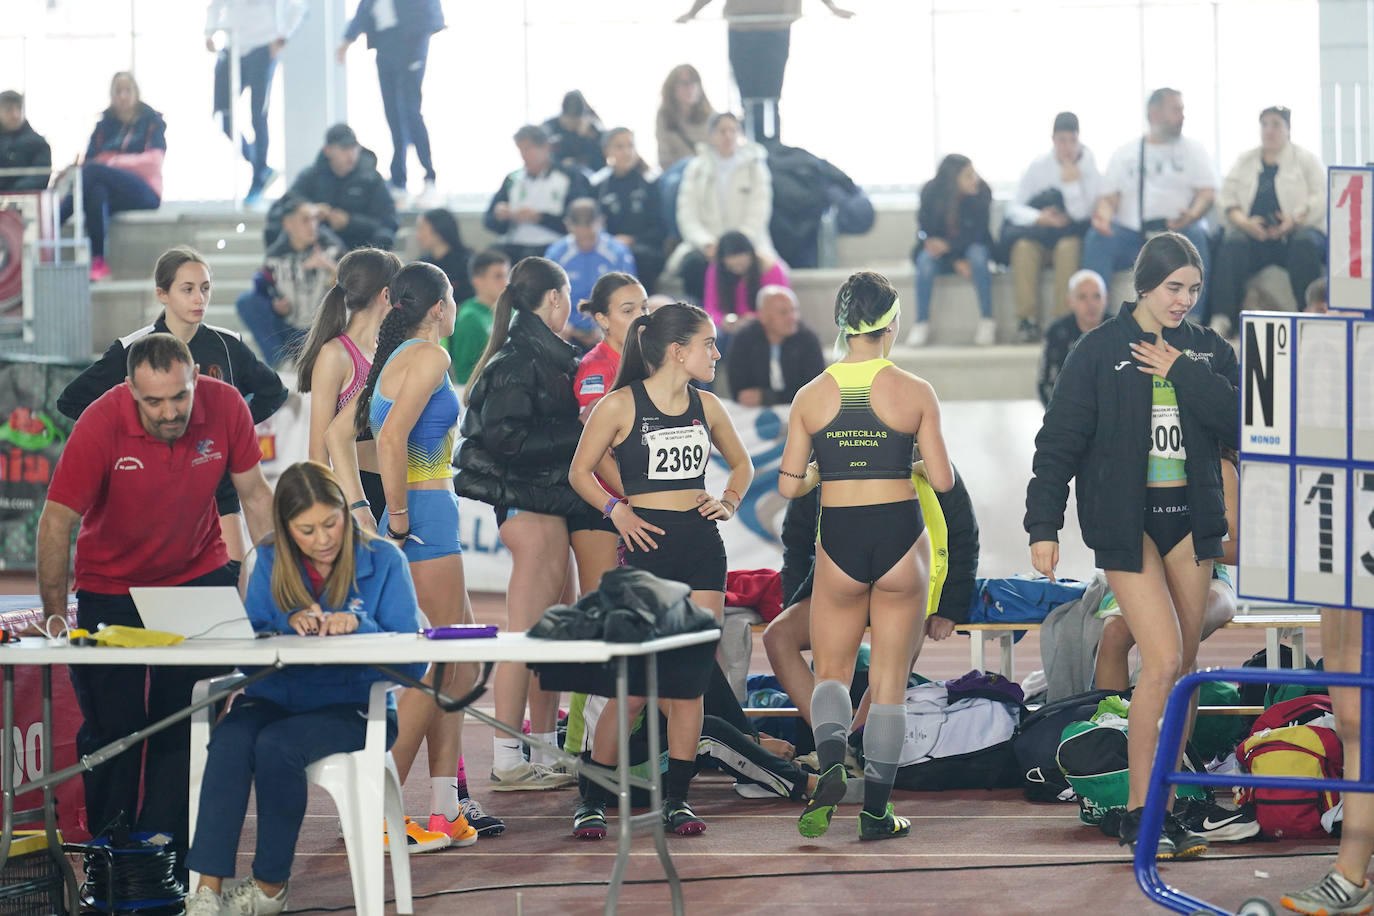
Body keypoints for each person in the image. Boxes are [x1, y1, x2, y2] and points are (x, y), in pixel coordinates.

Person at [1025, 232, 1239, 858]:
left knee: (1185, 669)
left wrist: (1181, 371)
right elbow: (1057, 442)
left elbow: (1239, 421)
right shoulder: (1098, 351)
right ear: (1145, 285)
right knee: (1165, 659)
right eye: (1174, 288)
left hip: (1191, 522)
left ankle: (1166, 802)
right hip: (1127, 526)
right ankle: (1143, 809)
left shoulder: (1205, 349)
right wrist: (1043, 526)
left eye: (1194, 290)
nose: (1184, 301)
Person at [36, 332, 274, 876]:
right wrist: (54, 616)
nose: (170, 413)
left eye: (180, 397)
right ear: (130, 390)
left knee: (190, 721)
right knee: (114, 729)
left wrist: (282, 586)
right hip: (110, 586)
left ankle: (168, 862)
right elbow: (57, 521)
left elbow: (256, 495)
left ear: (196, 380)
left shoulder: (226, 405)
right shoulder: (100, 421)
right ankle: (113, 859)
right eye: (154, 402)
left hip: (196, 574)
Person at [182, 461, 425, 916]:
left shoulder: (384, 559)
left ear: (344, 511)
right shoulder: (269, 558)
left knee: (277, 745)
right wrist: (283, 625)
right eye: (306, 530)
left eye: (331, 523)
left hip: (354, 708)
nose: (323, 539)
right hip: (277, 696)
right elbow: (246, 649)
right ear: (286, 528)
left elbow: (414, 661)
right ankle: (205, 893)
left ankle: (270, 889)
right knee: (231, 737)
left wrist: (360, 626)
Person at [777, 270, 953, 841]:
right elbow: (945, 480)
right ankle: (877, 812)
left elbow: (788, 486)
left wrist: (825, 471)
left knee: (830, 670)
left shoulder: (811, 394)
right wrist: (913, 466)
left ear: (842, 325)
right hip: (902, 533)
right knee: (890, 682)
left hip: (842, 536)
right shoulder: (916, 390)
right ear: (891, 324)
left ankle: (830, 760)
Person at [331, 261, 501, 847]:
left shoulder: (397, 358)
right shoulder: (430, 357)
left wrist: (374, 513)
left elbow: (345, 435)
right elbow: (390, 437)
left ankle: (441, 807)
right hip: (425, 516)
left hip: (423, 514)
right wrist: (397, 518)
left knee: (460, 659)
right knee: (435, 663)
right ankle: (377, 807)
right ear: (439, 306)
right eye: (453, 299)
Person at [568, 301, 754, 838]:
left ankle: (678, 799)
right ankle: (592, 799)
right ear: (678, 351)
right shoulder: (620, 405)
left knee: (688, 684)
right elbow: (579, 471)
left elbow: (741, 464)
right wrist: (616, 511)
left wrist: (731, 500)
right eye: (709, 343)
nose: (716, 353)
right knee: (633, 690)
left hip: (701, 546)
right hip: (647, 544)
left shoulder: (708, 405)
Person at [57, 247, 287, 564]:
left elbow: (274, 391)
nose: (199, 299)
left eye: (205, 288)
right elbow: (71, 400)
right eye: (188, 289)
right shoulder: (131, 348)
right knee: (159, 591)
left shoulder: (227, 344)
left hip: (216, 487)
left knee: (233, 585)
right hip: (151, 492)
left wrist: (233, 428)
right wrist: (133, 436)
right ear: (162, 294)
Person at [454, 257, 589, 792]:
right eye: (568, 295)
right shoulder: (518, 360)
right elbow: (506, 441)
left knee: (550, 636)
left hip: (543, 506)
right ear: (553, 299)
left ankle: (541, 748)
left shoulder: (536, 355)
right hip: (528, 510)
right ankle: (508, 758)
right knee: (525, 637)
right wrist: (579, 431)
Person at [763, 458, 979, 745]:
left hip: (907, 589)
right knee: (778, 636)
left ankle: (852, 749)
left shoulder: (926, 458)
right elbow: (796, 543)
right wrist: (795, 603)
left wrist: (948, 608)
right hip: (841, 588)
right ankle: (835, 746)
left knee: (891, 669)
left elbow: (963, 536)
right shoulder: (826, 456)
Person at [1094, 449, 1239, 693]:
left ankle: (1169, 722)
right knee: (1113, 635)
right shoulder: (1137, 466)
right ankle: (1110, 724)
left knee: (1181, 634)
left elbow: (1240, 547)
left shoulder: (1221, 468)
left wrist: (1192, 549)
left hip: (1209, 576)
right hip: (1147, 576)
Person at [1083, 88, 1217, 321]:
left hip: (1178, 232)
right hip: (1132, 235)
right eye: (1176, 110)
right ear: (1154, 114)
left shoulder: (1194, 150)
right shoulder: (1126, 153)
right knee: (1097, 238)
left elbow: (1207, 193)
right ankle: (1096, 322)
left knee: (1195, 238)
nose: (1182, 117)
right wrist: (1103, 217)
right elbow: (1108, 199)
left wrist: (1191, 215)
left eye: (1182, 110)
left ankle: (1191, 322)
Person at [295, 246, 402, 523]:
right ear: (386, 294)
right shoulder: (336, 354)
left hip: (395, 487)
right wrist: (330, 511)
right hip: (358, 492)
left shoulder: (384, 350)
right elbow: (318, 451)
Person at [1210, 106, 1326, 338]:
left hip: (1291, 234)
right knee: (1232, 243)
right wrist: (1244, 223)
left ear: (1288, 129)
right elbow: (1226, 198)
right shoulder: (1246, 160)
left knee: (1305, 243)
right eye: (1264, 124)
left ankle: (1311, 317)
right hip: (1254, 235)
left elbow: (1320, 196)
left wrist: (1293, 220)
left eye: (1276, 124)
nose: (1269, 130)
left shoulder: (1306, 160)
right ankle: (1222, 320)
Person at [675, 0, 855, 143]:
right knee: (748, 99)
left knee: (772, 98)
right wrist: (692, 12)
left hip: (775, 27)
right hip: (742, 28)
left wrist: (833, 7)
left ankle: (773, 150)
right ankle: (752, 148)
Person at [571, 272, 647, 596]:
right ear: (602, 319)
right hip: (601, 505)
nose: (642, 318)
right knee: (601, 607)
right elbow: (597, 452)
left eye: (644, 308)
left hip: (636, 502)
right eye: (628, 311)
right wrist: (636, 497)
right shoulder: (596, 367)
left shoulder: (648, 364)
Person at [1003, 112, 1100, 343]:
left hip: (1070, 237)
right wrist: (1040, 218)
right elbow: (1013, 208)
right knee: (1023, 247)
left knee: (1068, 247)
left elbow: (1084, 213)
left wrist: (1071, 183)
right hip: (1041, 236)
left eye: (1072, 141)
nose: (1067, 147)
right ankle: (1027, 320)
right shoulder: (1039, 166)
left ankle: (1062, 319)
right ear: (1053, 139)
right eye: (1062, 141)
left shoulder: (1089, 164)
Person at [63, 72, 166, 282]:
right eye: (118, 91)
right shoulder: (103, 126)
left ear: (136, 93)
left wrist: (113, 162)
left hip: (145, 191)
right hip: (112, 191)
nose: (123, 96)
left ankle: (56, 220)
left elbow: (153, 162)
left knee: (93, 173)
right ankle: (99, 261)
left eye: (127, 90)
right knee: (96, 192)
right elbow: (90, 162)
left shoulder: (152, 121)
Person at [337, 0, 444, 197]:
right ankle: (398, 181)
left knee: (410, 110)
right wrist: (346, 41)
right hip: (384, 41)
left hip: (412, 35)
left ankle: (429, 177)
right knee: (393, 114)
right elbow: (365, 7)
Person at [205, 0, 306, 204]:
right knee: (222, 115)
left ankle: (258, 180)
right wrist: (210, 32)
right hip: (232, 46)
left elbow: (297, 8)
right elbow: (215, 6)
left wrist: (282, 37)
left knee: (258, 115)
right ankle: (260, 166)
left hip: (262, 46)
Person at [670, 112, 776, 304]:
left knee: (755, 266)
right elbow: (687, 215)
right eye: (722, 131)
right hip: (708, 246)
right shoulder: (696, 168)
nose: (728, 136)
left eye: (733, 130)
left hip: (748, 243)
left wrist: (734, 245)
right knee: (693, 265)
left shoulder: (755, 166)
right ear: (710, 136)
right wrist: (708, 244)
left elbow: (759, 211)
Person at [236, 196, 343, 367]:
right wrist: (274, 304)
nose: (312, 225)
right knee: (246, 301)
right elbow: (261, 289)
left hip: (321, 330)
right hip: (289, 329)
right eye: (305, 220)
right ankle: (283, 363)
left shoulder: (331, 248)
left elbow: (356, 284)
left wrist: (329, 267)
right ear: (288, 224)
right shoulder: (275, 256)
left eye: (315, 219)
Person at [906, 154, 994, 348]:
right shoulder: (930, 192)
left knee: (978, 256)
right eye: (968, 175)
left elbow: (978, 233)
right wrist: (954, 260)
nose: (975, 179)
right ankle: (921, 322)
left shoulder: (982, 192)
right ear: (953, 180)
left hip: (971, 245)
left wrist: (950, 247)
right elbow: (927, 234)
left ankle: (987, 320)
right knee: (925, 263)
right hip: (944, 253)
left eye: (974, 173)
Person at [268, 124, 397, 251]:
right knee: (274, 230)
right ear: (328, 150)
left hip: (359, 243)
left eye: (354, 147)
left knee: (384, 236)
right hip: (315, 243)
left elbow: (388, 220)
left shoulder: (372, 178)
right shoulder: (311, 176)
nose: (350, 154)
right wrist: (311, 211)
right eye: (344, 148)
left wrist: (349, 222)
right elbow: (281, 209)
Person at [484, 124, 591, 263]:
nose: (523, 155)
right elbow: (489, 221)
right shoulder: (512, 179)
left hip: (553, 244)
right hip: (515, 244)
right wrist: (499, 215)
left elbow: (577, 220)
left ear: (545, 148)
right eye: (520, 149)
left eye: (528, 149)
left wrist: (539, 217)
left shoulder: (568, 176)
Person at [544, 198, 637, 348]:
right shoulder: (555, 254)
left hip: (609, 326)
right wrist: (559, 323)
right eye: (580, 238)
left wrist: (607, 326)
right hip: (566, 328)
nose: (586, 243)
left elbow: (631, 297)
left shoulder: (618, 253)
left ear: (601, 222)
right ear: (568, 225)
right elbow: (546, 297)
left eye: (590, 237)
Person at [593, 127, 667, 292]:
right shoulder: (598, 185)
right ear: (607, 151)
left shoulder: (649, 183)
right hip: (606, 245)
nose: (626, 152)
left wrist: (632, 239)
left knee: (641, 256)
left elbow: (660, 228)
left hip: (642, 246)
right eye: (619, 147)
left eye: (630, 146)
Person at [725, 284, 822, 406]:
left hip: (797, 408)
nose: (792, 317)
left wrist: (768, 397)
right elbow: (740, 392)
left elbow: (815, 391)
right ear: (763, 316)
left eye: (794, 310)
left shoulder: (808, 339)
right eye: (783, 312)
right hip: (754, 411)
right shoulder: (743, 338)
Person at [1037, 269, 1107, 407]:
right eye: (1082, 297)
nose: (1091, 304)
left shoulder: (1119, 329)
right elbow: (1045, 382)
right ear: (1070, 301)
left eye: (1097, 296)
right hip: (1068, 415)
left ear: (1106, 299)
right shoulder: (1057, 332)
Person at [440, 249, 508, 385]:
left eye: (507, 275)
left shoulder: (510, 311)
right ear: (478, 281)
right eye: (498, 276)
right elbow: (464, 373)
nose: (506, 282)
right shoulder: (469, 319)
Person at [703, 229, 789, 328]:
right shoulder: (716, 270)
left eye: (741, 264)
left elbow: (781, 308)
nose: (738, 269)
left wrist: (755, 318)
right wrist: (724, 321)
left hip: (764, 324)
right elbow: (710, 308)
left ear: (751, 256)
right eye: (733, 267)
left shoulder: (770, 269)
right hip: (729, 327)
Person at [655, 64, 715, 170]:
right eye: (684, 83)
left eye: (694, 82)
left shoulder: (711, 116)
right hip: (678, 173)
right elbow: (664, 158)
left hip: (707, 171)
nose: (690, 88)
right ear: (672, 88)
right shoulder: (664, 117)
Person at [415, 207, 474, 303]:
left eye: (422, 229)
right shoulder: (422, 264)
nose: (418, 235)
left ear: (438, 230)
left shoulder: (466, 263)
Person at [543, 90, 605, 175]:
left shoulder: (593, 129)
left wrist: (589, 138)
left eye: (575, 121)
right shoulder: (550, 127)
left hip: (586, 174)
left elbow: (601, 161)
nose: (571, 125)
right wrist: (560, 164)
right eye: (568, 120)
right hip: (556, 174)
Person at [0, 90, 51, 191]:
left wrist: (14, 191)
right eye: (8, 109)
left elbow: (40, 176)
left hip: (28, 201)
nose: (15, 115)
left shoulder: (38, 144)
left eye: (19, 108)